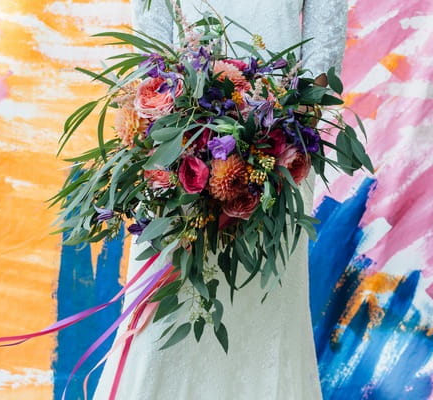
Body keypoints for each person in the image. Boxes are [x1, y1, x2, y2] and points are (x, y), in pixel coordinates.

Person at [94, 0, 347, 398]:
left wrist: (292, 122)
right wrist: (170, 120)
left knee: (264, 308)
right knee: (165, 312)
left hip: (279, 142)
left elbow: (325, 38)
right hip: (182, 133)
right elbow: (152, 32)